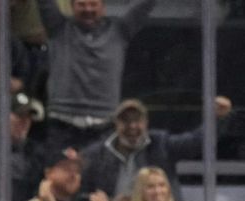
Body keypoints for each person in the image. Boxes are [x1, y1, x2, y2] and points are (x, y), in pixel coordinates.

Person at [36, 0, 157, 152]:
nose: (88, 9)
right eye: (82, 4)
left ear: (103, 7)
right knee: (57, 175)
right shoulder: (58, 28)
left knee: (103, 175)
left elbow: (145, 5)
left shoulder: (120, 30)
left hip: (104, 127)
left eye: (93, 4)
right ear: (72, 7)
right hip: (62, 125)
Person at [80, 97, 233, 201]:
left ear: (146, 123)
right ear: (116, 124)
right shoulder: (96, 154)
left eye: (137, 120)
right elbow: (82, 197)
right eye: (125, 120)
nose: (132, 126)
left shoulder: (161, 144)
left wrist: (217, 119)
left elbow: (196, 142)